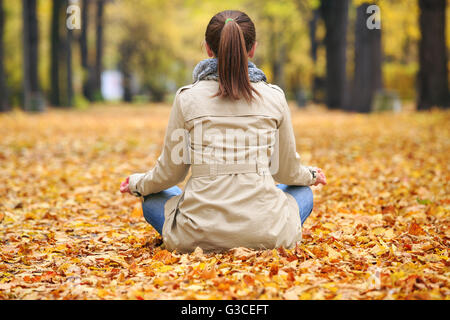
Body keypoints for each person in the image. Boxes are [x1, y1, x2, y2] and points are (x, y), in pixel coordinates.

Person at [120, 10, 327, 253]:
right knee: (302, 192)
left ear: (208, 48)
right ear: (252, 49)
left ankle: (201, 233)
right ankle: (260, 233)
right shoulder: (274, 97)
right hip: (268, 233)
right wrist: (311, 176)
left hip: (196, 236)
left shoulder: (187, 98)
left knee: (154, 197)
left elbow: (170, 174)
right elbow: (286, 172)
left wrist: (137, 183)